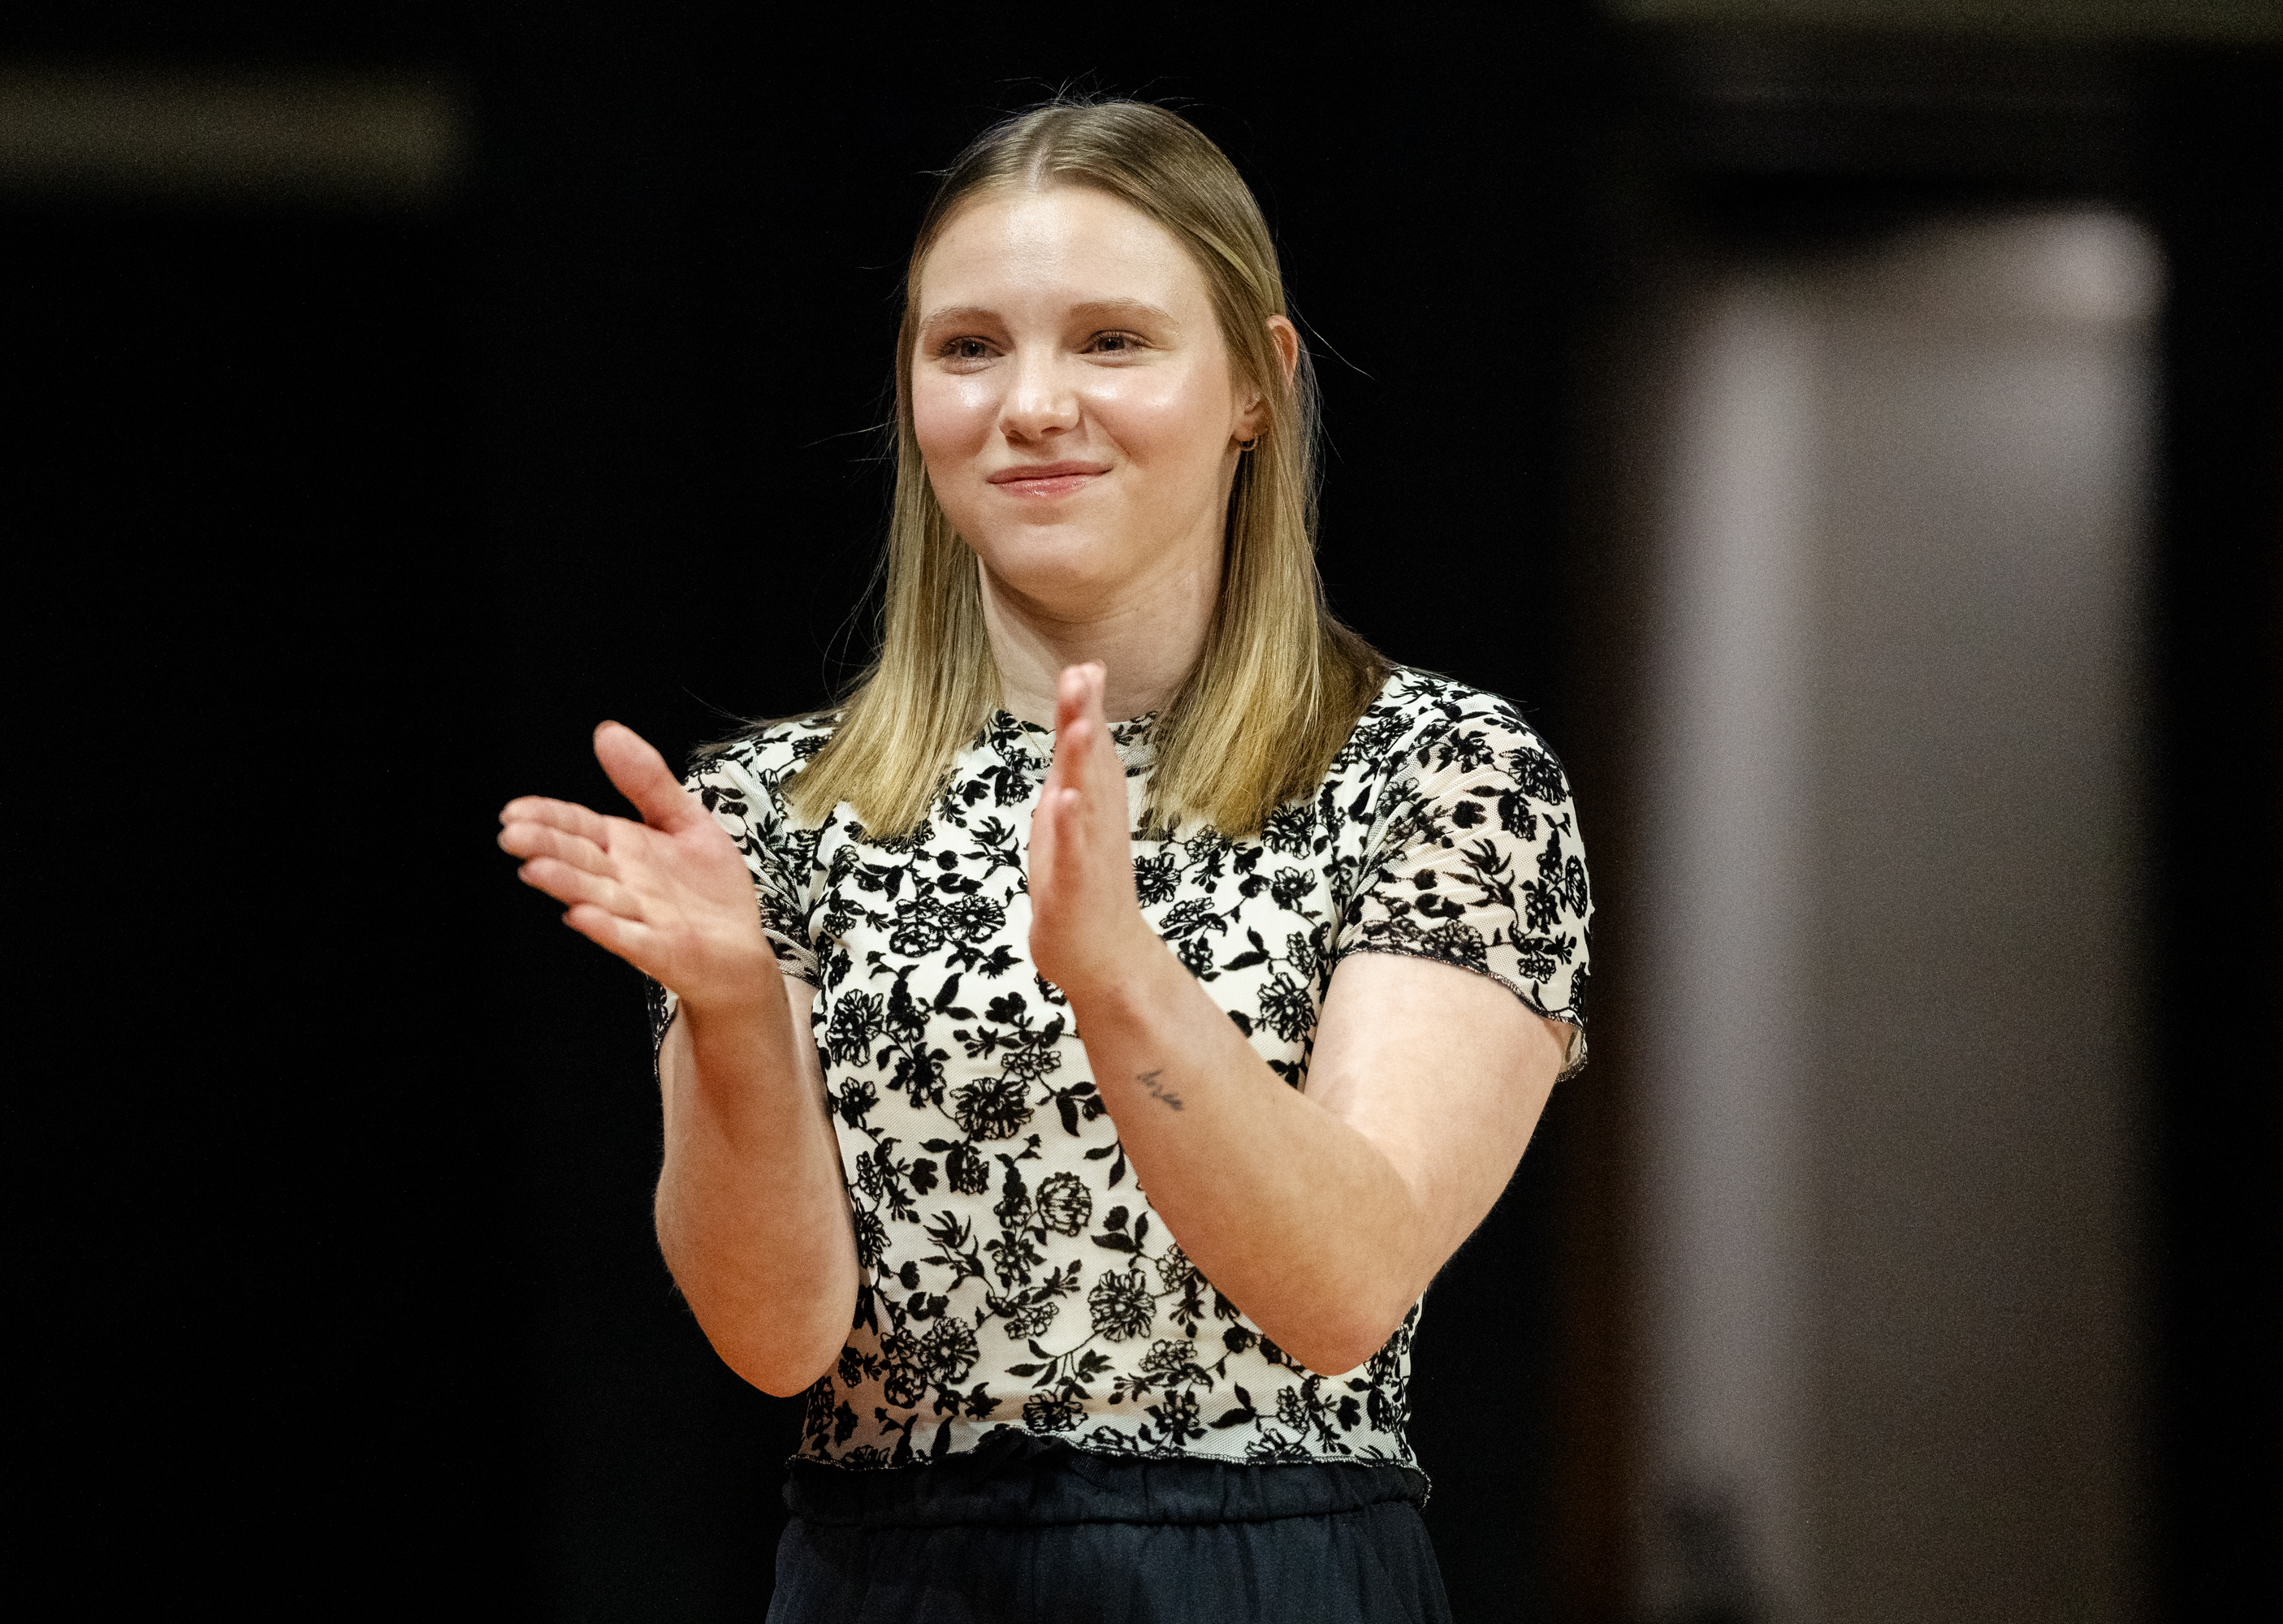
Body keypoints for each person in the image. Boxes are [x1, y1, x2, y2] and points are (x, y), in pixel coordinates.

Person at [497, 97, 1591, 1624]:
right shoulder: (775, 812)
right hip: (890, 1575)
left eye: (1113, 342)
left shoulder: (1434, 773)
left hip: (1270, 1569)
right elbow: (776, 1342)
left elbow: (1340, 1290)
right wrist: (742, 1016)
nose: (1032, 405)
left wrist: (1118, 974)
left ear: (1257, 388)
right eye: (968, 349)